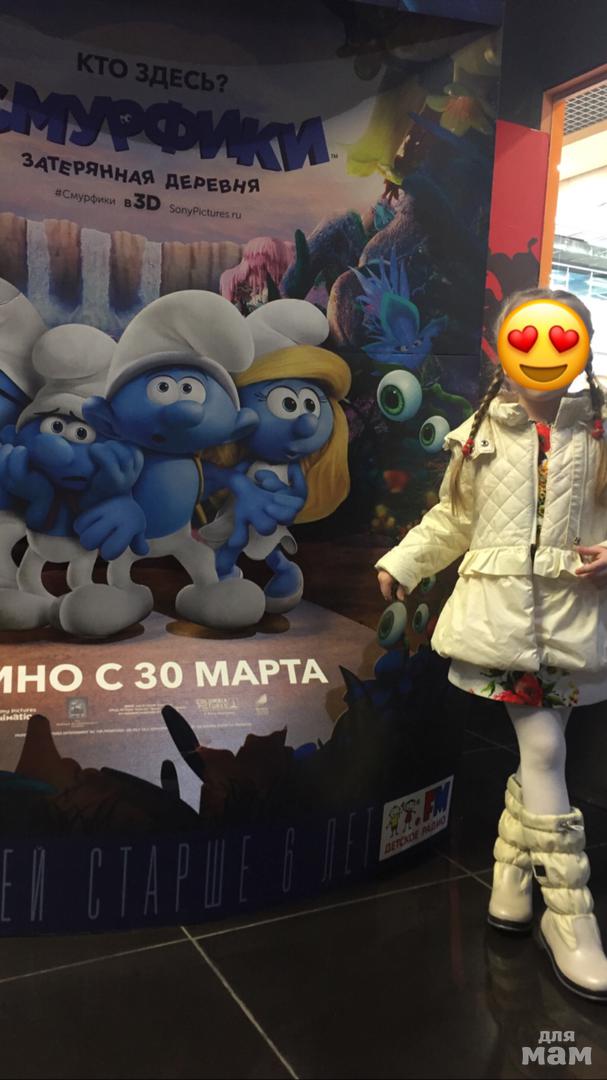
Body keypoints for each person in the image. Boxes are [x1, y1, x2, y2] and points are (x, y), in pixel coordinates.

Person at [376, 286, 607, 1001]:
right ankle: (569, 917)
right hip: (499, 619)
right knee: (543, 748)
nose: (542, 353)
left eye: (560, 340)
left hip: (574, 622)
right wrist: (405, 561)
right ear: (503, 349)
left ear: (583, 349)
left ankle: (509, 882)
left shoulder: (601, 432)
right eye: (525, 339)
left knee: (543, 749)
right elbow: (453, 518)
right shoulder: (477, 434)